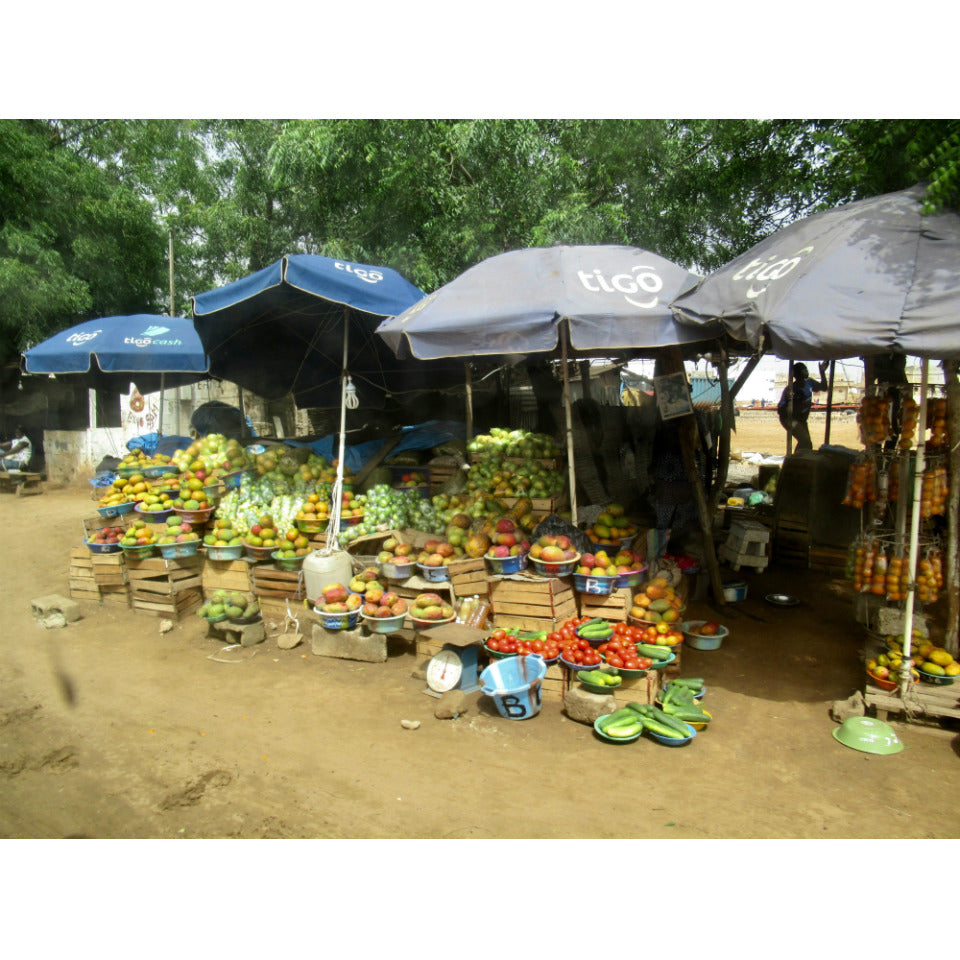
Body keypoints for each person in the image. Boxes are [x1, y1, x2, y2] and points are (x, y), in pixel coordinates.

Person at [778, 362, 829, 451]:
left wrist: (822, 372)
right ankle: (794, 461)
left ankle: (796, 461)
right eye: (804, 370)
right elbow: (780, 410)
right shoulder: (790, 389)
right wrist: (791, 402)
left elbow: (824, 387)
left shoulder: (809, 382)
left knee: (806, 445)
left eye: (806, 369)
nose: (806, 371)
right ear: (797, 374)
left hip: (801, 420)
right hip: (790, 419)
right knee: (805, 442)